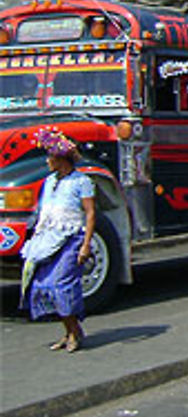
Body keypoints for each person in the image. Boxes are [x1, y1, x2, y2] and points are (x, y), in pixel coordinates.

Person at [19, 127, 96, 353]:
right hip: (49, 238)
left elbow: (90, 213)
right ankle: (70, 331)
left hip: (72, 239)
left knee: (62, 284)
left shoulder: (82, 181)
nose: (47, 161)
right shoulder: (49, 181)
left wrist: (85, 245)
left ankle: (74, 332)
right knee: (44, 284)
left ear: (61, 158)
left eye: (50, 157)